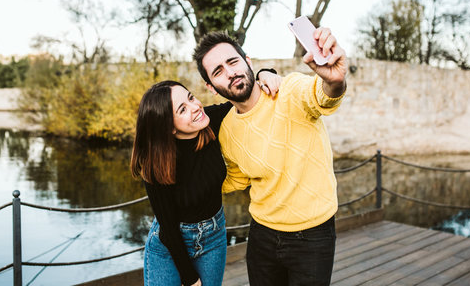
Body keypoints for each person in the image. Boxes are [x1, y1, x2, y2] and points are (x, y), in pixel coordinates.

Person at [192, 26, 347, 286]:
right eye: (218, 71)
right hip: (261, 235)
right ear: (211, 87)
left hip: (313, 236)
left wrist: (335, 81)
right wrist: (185, 186)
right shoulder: (227, 128)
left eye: (232, 61)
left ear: (247, 62)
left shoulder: (290, 90)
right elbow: (236, 179)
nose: (230, 72)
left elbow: (322, 97)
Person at [130, 71, 281, 286]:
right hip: (170, 244)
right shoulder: (156, 162)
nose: (195, 107)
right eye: (182, 109)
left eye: (190, 97)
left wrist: (264, 74)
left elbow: (246, 95)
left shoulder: (209, 121)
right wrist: (190, 279)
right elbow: (168, 228)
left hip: (213, 237)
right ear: (169, 127)